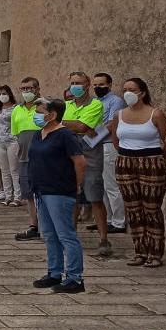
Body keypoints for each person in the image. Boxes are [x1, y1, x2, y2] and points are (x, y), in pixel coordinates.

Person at [111, 77, 166, 268]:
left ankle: (155, 253)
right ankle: (140, 251)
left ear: (142, 93)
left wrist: (159, 159)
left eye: (132, 89)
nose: (128, 93)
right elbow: (116, 140)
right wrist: (126, 155)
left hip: (151, 162)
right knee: (133, 208)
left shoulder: (156, 114)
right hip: (125, 161)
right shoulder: (119, 114)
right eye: (125, 89)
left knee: (151, 208)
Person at [29, 98, 88, 293]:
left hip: (60, 191)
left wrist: (76, 186)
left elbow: (79, 162)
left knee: (66, 235)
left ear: (52, 115)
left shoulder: (66, 135)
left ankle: (75, 277)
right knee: (49, 234)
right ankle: (54, 272)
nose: (36, 115)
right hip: (41, 190)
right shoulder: (39, 134)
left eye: (40, 111)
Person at [61, 71, 111, 256]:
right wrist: (74, 125)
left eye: (79, 83)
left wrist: (62, 122)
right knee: (71, 196)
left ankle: (104, 239)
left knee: (94, 195)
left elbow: (82, 127)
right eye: (72, 82)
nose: (75, 86)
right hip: (69, 153)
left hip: (90, 153)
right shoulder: (67, 105)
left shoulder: (96, 104)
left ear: (87, 85)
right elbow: (73, 126)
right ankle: (70, 237)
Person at [92, 73, 127, 233]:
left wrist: (91, 137)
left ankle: (119, 221)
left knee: (112, 185)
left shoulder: (116, 101)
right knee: (101, 186)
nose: (97, 88)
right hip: (94, 147)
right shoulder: (94, 102)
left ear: (110, 85)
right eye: (95, 85)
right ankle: (107, 219)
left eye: (101, 84)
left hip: (107, 145)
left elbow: (112, 124)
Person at [12, 77, 43, 242]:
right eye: (23, 88)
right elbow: (16, 134)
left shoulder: (44, 107)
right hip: (24, 157)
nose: (27, 91)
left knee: (43, 191)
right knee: (28, 193)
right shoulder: (17, 109)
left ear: (37, 89)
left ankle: (46, 225)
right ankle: (33, 225)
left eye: (30, 88)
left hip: (43, 158)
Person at [0, 85, 21, 206]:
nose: (2, 96)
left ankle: (17, 197)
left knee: (14, 169)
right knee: (4, 170)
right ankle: (8, 196)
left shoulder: (16, 108)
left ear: (10, 94)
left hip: (12, 141)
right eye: (0, 94)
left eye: (5, 93)